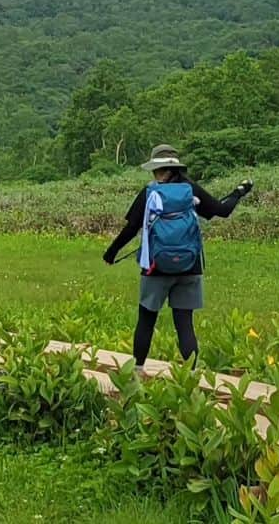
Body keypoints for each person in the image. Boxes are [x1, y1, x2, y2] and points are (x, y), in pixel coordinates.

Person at [102, 143, 253, 373]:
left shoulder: (150, 192)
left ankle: (138, 373)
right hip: (190, 267)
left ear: (157, 170)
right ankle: (190, 378)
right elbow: (221, 211)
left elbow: (131, 228)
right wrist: (239, 192)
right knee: (184, 323)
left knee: (146, 320)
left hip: (155, 267)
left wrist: (111, 253)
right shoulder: (190, 189)